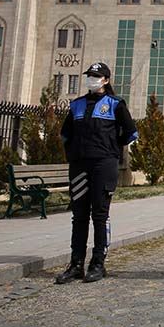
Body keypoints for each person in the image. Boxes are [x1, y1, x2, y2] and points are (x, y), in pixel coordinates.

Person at [55, 62, 138, 284]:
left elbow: (131, 132)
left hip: (104, 164)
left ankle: (98, 263)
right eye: (90, 75)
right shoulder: (77, 105)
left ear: (106, 80)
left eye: (96, 76)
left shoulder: (115, 104)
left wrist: (112, 147)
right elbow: (65, 134)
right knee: (79, 215)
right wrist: (73, 152)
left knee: (100, 215)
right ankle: (76, 264)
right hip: (80, 165)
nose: (92, 79)